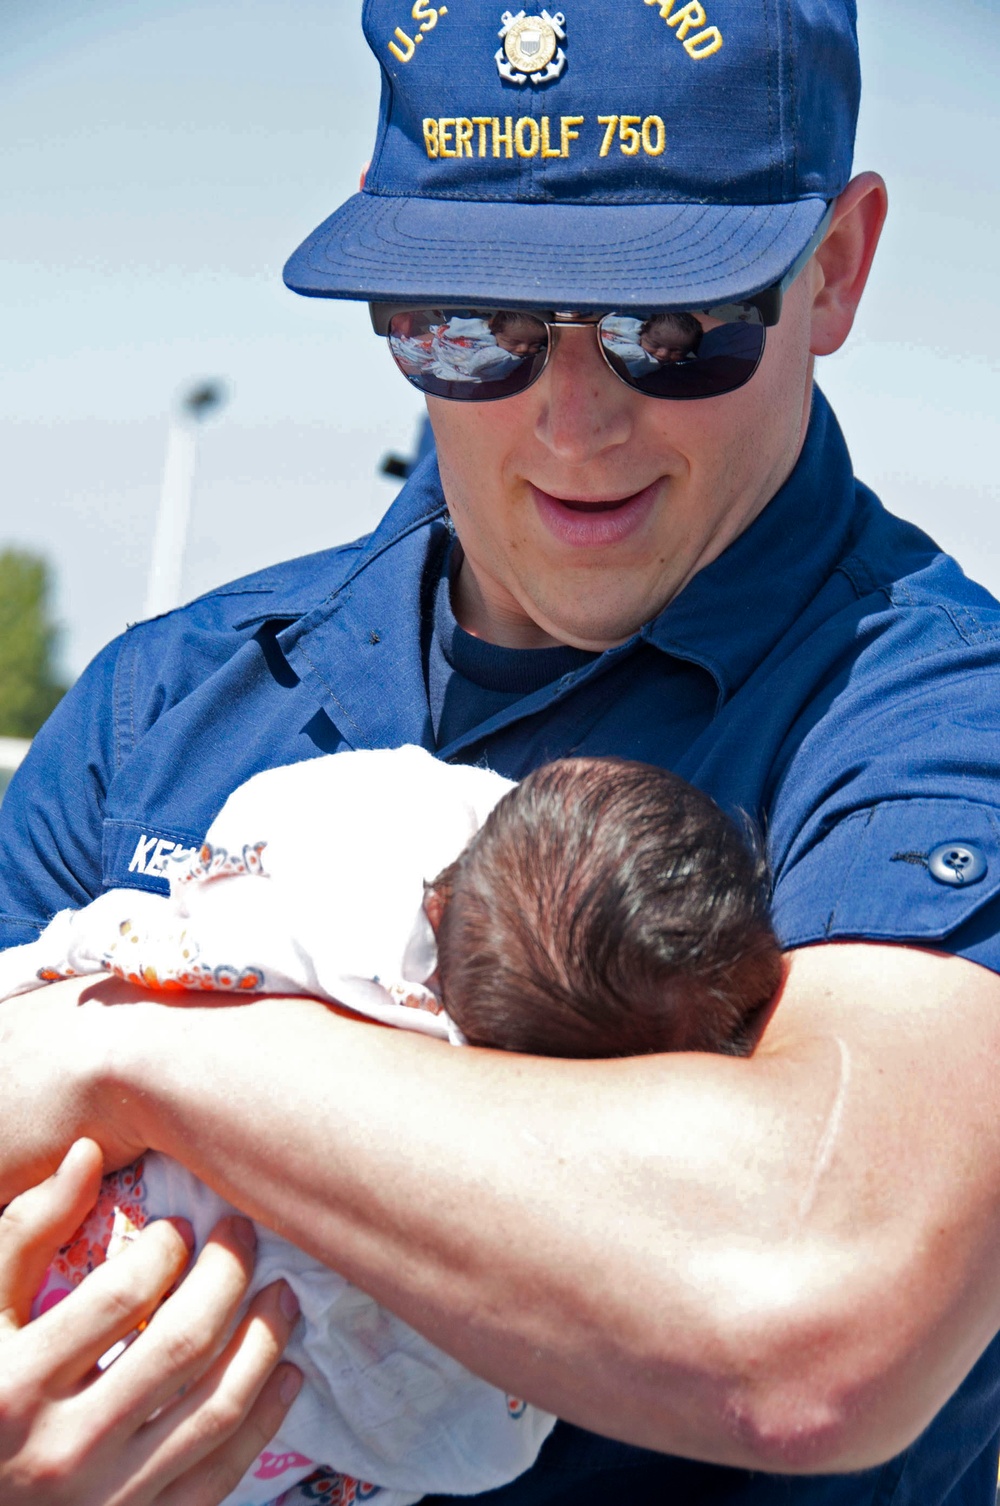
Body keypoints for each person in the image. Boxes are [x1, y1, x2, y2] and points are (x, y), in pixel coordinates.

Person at [2, 2, 1000, 1504]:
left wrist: (136, 1041)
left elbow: (813, 1308)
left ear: (836, 269)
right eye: (473, 326)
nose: (577, 421)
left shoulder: (929, 723)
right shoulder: (164, 703)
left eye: (675, 328)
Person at [0, 748, 780, 1506]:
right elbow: (480, 1426)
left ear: (439, 901)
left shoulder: (323, 884)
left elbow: (266, 825)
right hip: (211, 1428)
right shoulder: (528, 1206)